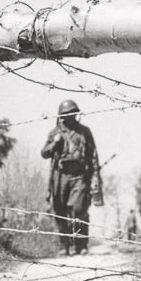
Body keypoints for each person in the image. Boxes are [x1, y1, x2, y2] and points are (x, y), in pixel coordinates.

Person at [40, 99, 103, 256]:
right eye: (66, 114)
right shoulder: (54, 133)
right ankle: (64, 245)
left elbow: (93, 155)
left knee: (79, 208)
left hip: (79, 175)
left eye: (72, 113)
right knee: (60, 210)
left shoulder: (84, 132)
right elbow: (44, 153)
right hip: (60, 175)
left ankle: (81, 244)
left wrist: (95, 176)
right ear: (61, 116)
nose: (70, 116)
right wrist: (54, 144)